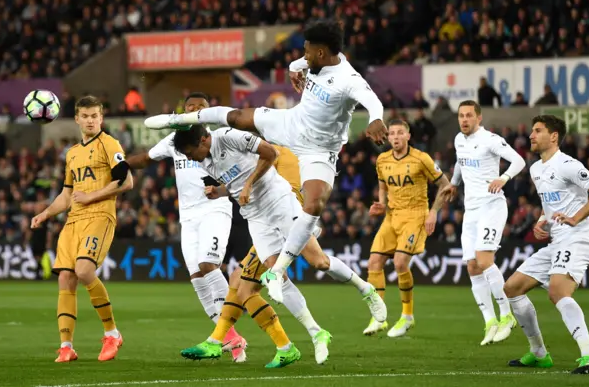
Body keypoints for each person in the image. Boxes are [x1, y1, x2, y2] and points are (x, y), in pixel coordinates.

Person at [143, 19, 388, 303]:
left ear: (322, 52)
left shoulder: (348, 79)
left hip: (318, 149)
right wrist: (295, 69)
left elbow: (373, 102)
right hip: (291, 123)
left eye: (308, 51)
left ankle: (290, 265)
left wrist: (376, 119)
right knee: (236, 117)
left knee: (314, 203)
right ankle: (180, 119)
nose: (304, 55)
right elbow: (298, 64)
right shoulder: (314, 61)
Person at [171, 125, 387, 367]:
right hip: (255, 216)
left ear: (202, 140)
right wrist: (220, 192)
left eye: (190, 152)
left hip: (280, 202)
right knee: (276, 277)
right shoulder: (205, 162)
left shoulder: (228, 136)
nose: (190, 158)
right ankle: (316, 333)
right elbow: (235, 185)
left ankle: (365, 289)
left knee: (318, 261)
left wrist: (249, 184)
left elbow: (270, 154)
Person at [183, 145, 332, 366]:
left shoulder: (277, 153)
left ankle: (300, 339)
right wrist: (224, 190)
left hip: (280, 223)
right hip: (273, 222)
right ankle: (219, 340)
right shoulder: (292, 152)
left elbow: (270, 185)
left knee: (248, 288)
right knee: (238, 280)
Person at [125, 92, 246, 362]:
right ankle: (231, 339)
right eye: (189, 107)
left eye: (199, 107)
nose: (193, 111)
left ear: (207, 111)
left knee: (208, 265)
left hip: (215, 208)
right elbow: (146, 158)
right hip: (188, 217)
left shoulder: (219, 135)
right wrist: (120, 165)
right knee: (196, 277)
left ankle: (239, 311)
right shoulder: (173, 141)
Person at [504, 115, 589, 374]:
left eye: (537, 131)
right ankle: (539, 353)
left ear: (553, 136)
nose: (531, 135)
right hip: (558, 238)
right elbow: (551, 204)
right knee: (512, 287)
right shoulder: (536, 169)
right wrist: (542, 220)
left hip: (579, 236)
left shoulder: (568, 165)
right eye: (531, 130)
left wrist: (575, 217)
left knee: (558, 292)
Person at [31, 95, 133, 362]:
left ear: (101, 118)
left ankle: (112, 333)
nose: (90, 120)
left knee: (84, 270)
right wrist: (45, 213)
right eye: (85, 116)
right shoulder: (72, 153)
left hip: (100, 215)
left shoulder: (110, 144)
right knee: (65, 277)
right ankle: (66, 346)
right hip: (74, 220)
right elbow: (66, 196)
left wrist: (92, 196)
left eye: (94, 116)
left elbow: (127, 181)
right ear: (77, 119)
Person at [441, 100, 526, 345]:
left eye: (469, 116)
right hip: (471, 210)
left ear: (479, 118)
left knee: (484, 259)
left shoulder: (490, 139)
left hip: (492, 206)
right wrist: (454, 183)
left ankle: (507, 315)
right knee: (472, 266)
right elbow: (460, 161)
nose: (464, 120)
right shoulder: (459, 139)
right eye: (461, 116)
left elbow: (518, 160)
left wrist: (504, 178)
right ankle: (490, 321)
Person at [364, 119, 450, 337]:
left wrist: (434, 212)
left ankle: (407, 316)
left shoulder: (422, 159)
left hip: (415, 216)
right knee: (374, 262)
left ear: (408, 136)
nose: (395, 137)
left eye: (400, 133)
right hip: (392, 217)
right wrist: (381, 204)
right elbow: (382, 186)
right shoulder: (382, 160)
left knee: (400, 262)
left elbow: (445, 185)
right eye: (391, 133)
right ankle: (379, 316)